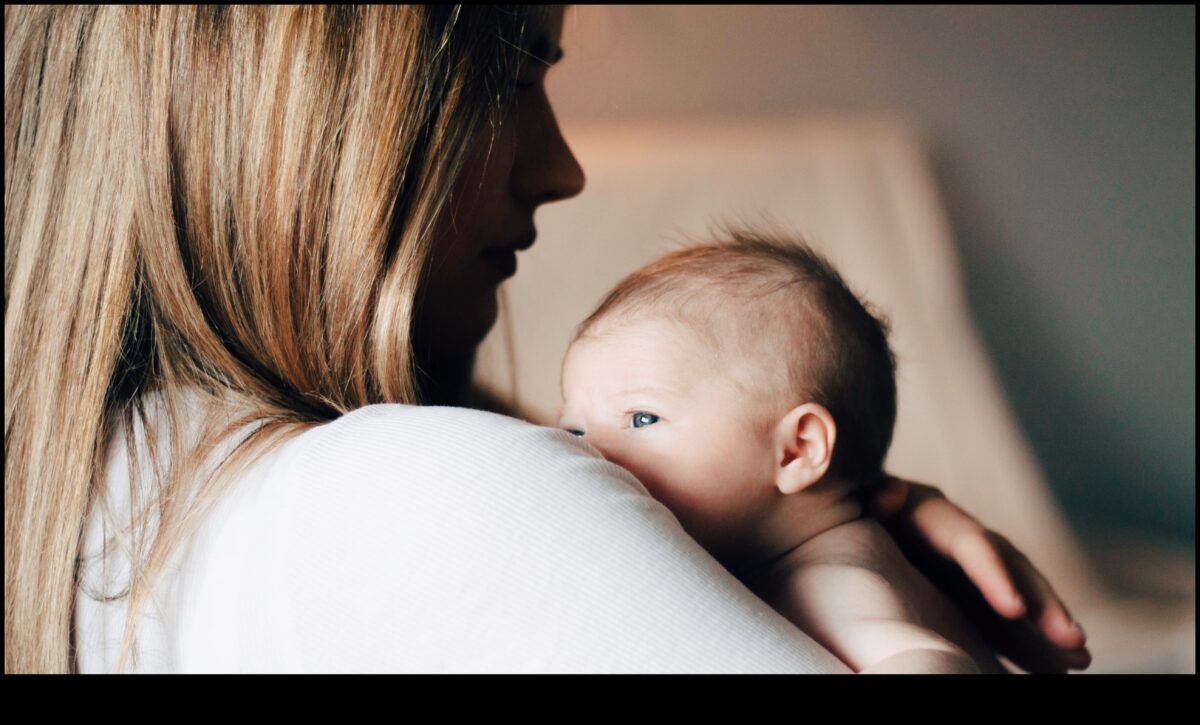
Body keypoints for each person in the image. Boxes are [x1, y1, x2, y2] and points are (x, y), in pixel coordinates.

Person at [4, 5, 1090, 673]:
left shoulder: (92, 499)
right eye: (515, 75)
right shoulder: (420, 491)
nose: (561, 167)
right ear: (310, 111)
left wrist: (845, 515)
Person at [559, 231, 1010, 673]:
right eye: (574, 430)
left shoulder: (826, 580)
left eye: (642, 418)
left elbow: (931, 661)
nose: (590, 452)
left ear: (797, 451)